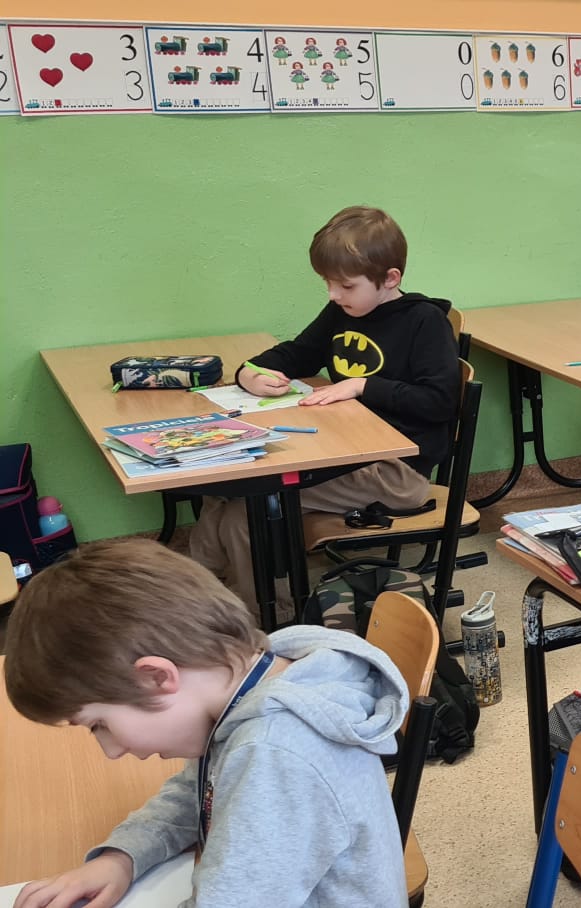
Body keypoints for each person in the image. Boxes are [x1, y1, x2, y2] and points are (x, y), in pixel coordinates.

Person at [3, 539, 409, 908]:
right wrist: (121, 857)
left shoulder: (275, 752)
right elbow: (198, 792)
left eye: (98, 724)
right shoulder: (240, 693)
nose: (111, 750)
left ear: (156, 677)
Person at [189, 205, 458, 612]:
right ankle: (198, 601)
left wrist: (363, 385)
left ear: (390, 278)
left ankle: (270, 619)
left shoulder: (425, 322)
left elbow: (440, 401)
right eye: (328, 283)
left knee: (249, 509)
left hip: (397, 472)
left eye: (345, 285)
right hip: (347, 451)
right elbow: (300, 352)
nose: (333, 294)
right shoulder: (343, 311)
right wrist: (249, 372)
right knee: (222, 487)